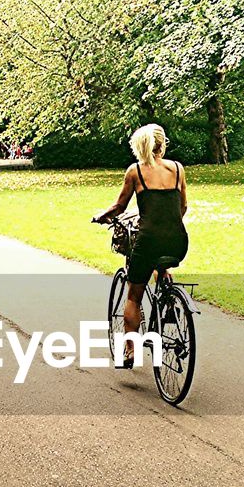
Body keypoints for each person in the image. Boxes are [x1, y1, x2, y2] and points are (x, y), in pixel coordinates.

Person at [93, 124, 188, 367]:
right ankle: (168, 299)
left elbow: (119, 208)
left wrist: (101, 217)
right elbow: (182, 207)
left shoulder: (135, 171)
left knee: (134, 296)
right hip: (178, 240)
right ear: (162, 144)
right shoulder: (178, 169)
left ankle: (130, 350)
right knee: (162, 262)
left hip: (148, 241)